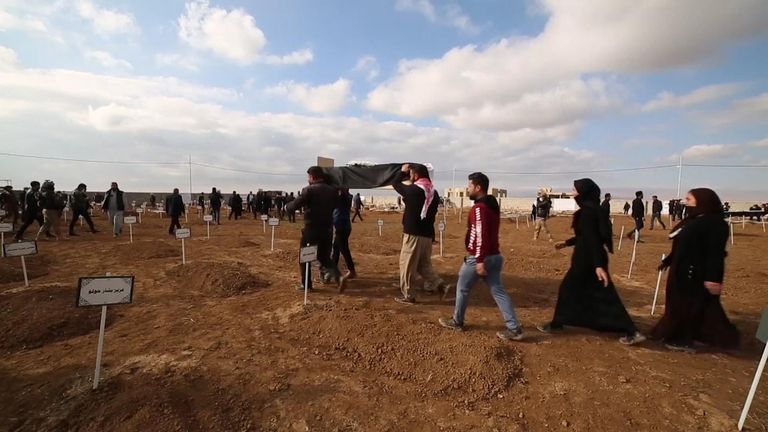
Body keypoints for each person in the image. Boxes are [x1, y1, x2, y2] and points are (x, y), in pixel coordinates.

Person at [537, 178, 645, 345]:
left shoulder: (587, 212)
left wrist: (598, 266)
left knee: (584, 292)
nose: (572, 193)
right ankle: (558, 323)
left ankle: (631, 331)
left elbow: (592, 239)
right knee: (580, 292)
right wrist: (567, 243)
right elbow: (585, 236)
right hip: (589, 258)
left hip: (587, 260)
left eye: (574, 191)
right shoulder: (593, 209)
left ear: (583, 193)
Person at [651, 188, 739, 353]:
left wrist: (713, 278)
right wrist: (669, 260)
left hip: (696, 273)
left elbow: (715, 253)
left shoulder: (716, 224)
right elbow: (680, 244)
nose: (686, 202)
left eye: (689, 199)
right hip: (681, 270)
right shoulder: (692, 220)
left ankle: (686, 338)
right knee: (680, 304)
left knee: (693, 306)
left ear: (703, 201)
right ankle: (676, 333)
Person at [438, 172, 524, 341]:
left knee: (462, 288)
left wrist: (479, 260)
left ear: (478, 187)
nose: (467, 189)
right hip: (494, 256)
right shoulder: (491, 205)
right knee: (498, 291)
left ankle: (457, 321)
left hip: (480, 258)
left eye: (469, 186)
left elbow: (480, 234)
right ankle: (514, 328)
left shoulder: (480, 208)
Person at [285, 166, 345, 291]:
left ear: (312, 176)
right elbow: (336, 205)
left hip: (311, 229)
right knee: (324, 257)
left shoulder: (308, 190)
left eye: (309, 177)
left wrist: (287, 207)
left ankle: (306, 285)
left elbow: (296, 204)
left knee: (305, 256)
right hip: (327, 229)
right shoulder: (332, 191)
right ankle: (339, 277)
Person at [392, 163, 446, 304]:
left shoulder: (414, 190)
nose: (410, 176)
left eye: (411, 174)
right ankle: (439, 284)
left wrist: (402, 172)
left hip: (413, 234)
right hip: (427, 234)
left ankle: (409, 295)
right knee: (424, 265)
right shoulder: (434, 193)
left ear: (415, 175)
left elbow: (395, 184)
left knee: (407, 265)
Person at [332, 188, 357, 288]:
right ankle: (333, 270)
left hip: (342, 226)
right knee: (336, 248)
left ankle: (351, 271)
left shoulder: (342, 198)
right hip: (344, 226)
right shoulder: (348, 196)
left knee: (343, 249)